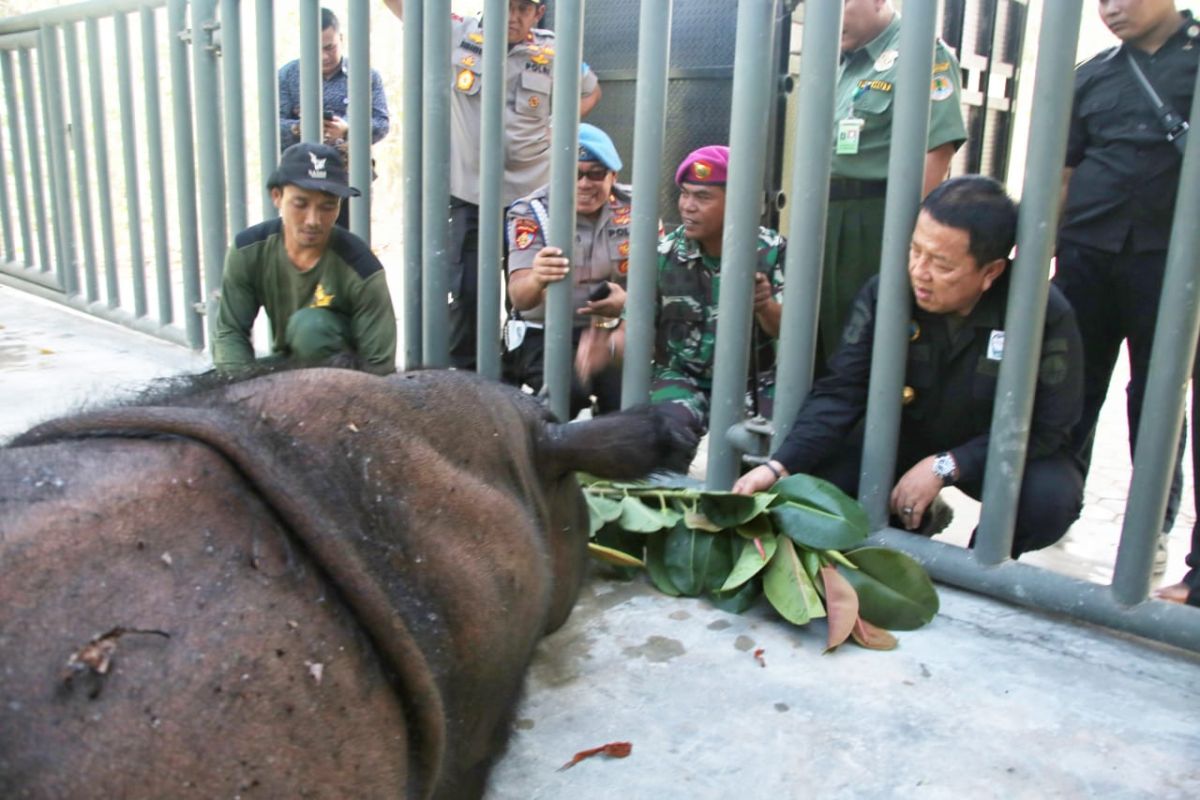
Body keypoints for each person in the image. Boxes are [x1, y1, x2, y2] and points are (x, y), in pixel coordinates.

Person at [734, 176, 1084, 559]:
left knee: (1051, 499)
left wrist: (948, 466)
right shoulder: (887, 292)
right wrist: (780, 465)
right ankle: (908, 525)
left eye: (942, 264)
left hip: (994, 448)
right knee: (825, 477)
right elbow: (842, 390)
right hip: (904, 434)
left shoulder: (1041, 311)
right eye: (916, 251)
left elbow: (1050, 425)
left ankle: (985, 562)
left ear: (991, 272)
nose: (920, 271)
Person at [1055, 0, 1200, 584]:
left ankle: (1151, 529)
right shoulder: (1092, 74)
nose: (1110, 8)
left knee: (1158, 401)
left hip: (1169, 265)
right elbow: (1062, 176)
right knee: (1068, 393)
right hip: (1086, 259)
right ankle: (1053, 507)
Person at [383, 0, 602, 370]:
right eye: (506, 7)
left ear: (539, 13)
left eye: (523, 9)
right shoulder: (456, 33)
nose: (513, 17)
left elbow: (590, 92)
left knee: (528, 295)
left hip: (532, 196)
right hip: (470, 196)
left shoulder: (556, 50)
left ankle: (516, 375)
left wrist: (561, 124)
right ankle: (470, 380)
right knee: (469, 294)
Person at [578, 145, 785, 435]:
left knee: (764, 452)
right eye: (684, 193)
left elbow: (790, 334)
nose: (688, 206)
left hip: (755, 380)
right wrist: (607, 348)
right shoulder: (662, 255)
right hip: (682, 378)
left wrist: (764, 306)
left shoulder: (771, 251)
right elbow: (633, 333)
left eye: (703, 197)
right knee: (662, 435)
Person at [821, 0, 966, 361]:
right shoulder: (840, 61)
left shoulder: (920, 52)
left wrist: (914, 240)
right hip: (828, 215)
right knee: (822, 334)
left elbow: (937, 149)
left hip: (877, 220)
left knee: (865, 340)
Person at [212, 143, 397, 376]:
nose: (313, 220)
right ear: (277, 196)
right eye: (300, 204)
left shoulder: (362, 269)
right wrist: (244, 388)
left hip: (347, 383)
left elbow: (379, 366)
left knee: (311, 327)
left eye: (327, 207)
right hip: (289, 363)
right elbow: (230, 332)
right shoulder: (248, 250)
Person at [503, 124, 630, 417]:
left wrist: (626, 304)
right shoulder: (531, 213)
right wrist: (536, 277)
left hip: (608, 331)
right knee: (566, 394)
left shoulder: (635, 210)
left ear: (614, 176)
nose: (585, 183)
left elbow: (657, 287)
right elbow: (520, 297)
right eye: (575, 173)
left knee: (630, 400)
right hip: (544, 333)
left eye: (596, 173)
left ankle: (607, 458)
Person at [278, 8, 390, 229]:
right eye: (316, 49)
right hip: (301, 179)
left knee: (350, 244)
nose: (324, 56)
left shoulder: (366, 76)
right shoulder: (287, 76)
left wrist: (348, 130)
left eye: (330, 47)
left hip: (349, 178)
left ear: (341, 38)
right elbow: (272, 127)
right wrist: (300, 128)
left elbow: (382, 124)